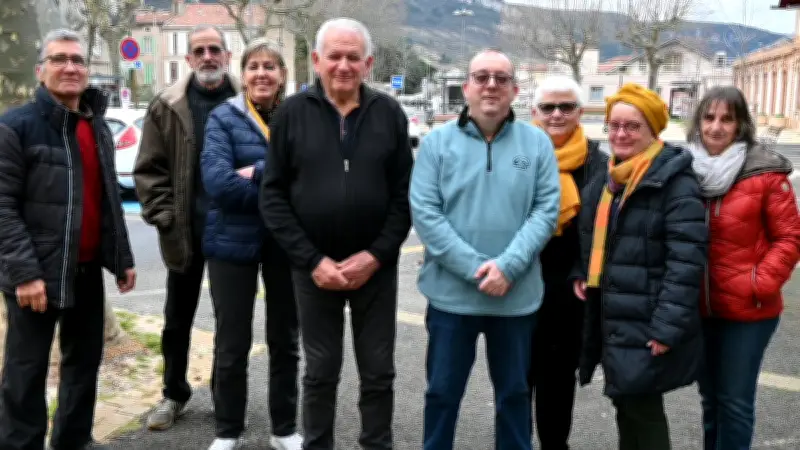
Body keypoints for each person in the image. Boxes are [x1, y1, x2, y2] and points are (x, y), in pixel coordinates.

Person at [259, 17, 413, 450]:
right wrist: (312, 261)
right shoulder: (291, 114)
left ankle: (376, 445)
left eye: (352, 57)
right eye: (334, 56)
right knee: (320, 371)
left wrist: (377, 255)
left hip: (376, 270)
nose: (343, 65)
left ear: (368, 63)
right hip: (314, 270)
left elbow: (405, 196)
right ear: (316, 60)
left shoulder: (389, 114)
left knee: (379, 372)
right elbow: (272, 197)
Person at [410, 49, 561, 450]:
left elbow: (546, 211)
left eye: (500, 78)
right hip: (451, 299)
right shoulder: (436, 144)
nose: (491, 85)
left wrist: (508, 267)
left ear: (514, 89)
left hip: (515, 298)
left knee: (513, 396)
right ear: (466, 88)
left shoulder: (538, 143)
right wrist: (478, 269)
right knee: (441, 394)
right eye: (481, 77)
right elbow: (426, 214)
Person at [0, 29, 136, 450]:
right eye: (59, 59)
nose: (70, 67)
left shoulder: (95, 127)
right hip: (35, 276)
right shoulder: (15, 127)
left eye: (77, 60)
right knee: (26, 372)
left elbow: (107, 199)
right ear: (41, 72)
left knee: (83, 366)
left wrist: (123, 257)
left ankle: (73, 441)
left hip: (86, 269)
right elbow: (2, 207)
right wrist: (24, 273)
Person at [572, 83, 707, 450]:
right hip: (614, 314)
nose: (620, 134)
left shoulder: (675, 183)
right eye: (614, 125)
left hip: (645, 318)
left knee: (642, 410)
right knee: (626, 403)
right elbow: (589, 238)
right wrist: (581, 273)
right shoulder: (608, 177)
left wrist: (665, 328)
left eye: (632, 126)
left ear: (653, 130)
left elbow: (686, 261)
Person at [134, 25, 238, 430]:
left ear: (227, 56)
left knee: (231, 320)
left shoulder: (248, 100)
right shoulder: (168, 104)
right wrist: (164, 217)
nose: (208, 56)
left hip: (233, 232)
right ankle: (173, 394)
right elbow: (148, 169)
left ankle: (225, 398)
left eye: (215, 49)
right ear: (189, 58)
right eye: (200, 50)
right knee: (177, 318)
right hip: (184, 232)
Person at [685, 86, 800, 450]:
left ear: (740, 126)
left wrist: (757, 283)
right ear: (698, 122)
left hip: (748, 311)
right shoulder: (684, 169)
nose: (716, 127)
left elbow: (790, 238)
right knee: (710, 400)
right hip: (699, 307)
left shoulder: (765, 173)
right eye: (709, 117)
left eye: (727, 119)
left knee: (734, 402)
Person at [200, 38, 302, 450]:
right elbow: (218, 183)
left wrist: (257, 172)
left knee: (285, 339)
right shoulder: (222, 117)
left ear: (282, 75)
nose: (262, 73)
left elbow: (309, 175)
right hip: (230, 240)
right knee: (232, 340)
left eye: (270, 66)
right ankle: (228, 431)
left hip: (285, 242)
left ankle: (283, 429)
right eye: (254, 66)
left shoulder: (299, 118)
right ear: (242, 74)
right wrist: (279, 186)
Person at [529, 76, 607, 450]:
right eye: (548, 107)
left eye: (566, 107)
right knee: (514, 378)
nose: (556, 114)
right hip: (519, 281)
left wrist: (582, 271)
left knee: (558, 381)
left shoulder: (598, 163)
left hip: (568, 290)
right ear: (534, 111)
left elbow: (605, 229)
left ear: (580, 112)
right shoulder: (517, 152)